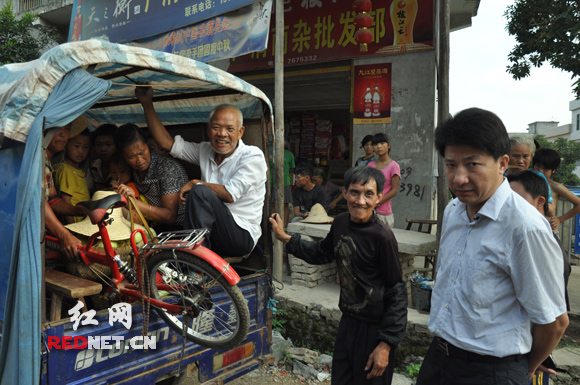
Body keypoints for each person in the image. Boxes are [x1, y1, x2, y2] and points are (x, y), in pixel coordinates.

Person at [416, 108, 569, 385]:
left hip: (492, 372)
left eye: (473, 165)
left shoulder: (525, 228)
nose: (459, 178)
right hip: (438, 359)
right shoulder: (454, 210)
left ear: (503, 164)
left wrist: (522, 370)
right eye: (451, 165)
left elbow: (555, 322)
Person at [270, 166, 407, 385]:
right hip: (348, 324)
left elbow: (397, 292)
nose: (360, 201)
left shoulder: (382, 237)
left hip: (375, 330)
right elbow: (321, 253)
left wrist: (386, 344)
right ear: (344, 192)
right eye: (355, 192)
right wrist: (286, 238)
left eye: (368, 194)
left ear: (379, 197)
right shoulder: (341, 222)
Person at [135, 86, 267, 257]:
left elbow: (230, 195)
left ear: (240, 132)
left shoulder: (252, 156)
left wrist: (197, 183)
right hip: (213, 234)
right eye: (216, 127)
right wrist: (147, 104)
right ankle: (192, 256)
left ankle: (195, 265)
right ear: (208, 129)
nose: (222, 134)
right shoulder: (205, 150)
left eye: (230, 129)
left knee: (199, 191)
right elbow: (168, 144)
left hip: (240, 237)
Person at [507, 170, 571, 312]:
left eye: (517, 200)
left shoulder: (541, 242)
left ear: (540, 202)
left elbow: (555, 319)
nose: (508, 205)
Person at [113, 123, 189, 232]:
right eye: (132, 157)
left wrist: (135, 203)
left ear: (147, 145)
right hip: (153, 226)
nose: (139, 160)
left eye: (141, 152)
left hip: (178, 229)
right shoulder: (130, 170)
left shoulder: (167, 168)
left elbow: (170, 217)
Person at [42, 117, 87, 259]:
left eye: (67, 128)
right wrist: (65, 235)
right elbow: (38, 201)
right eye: (58, 127)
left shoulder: (47, 162)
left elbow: (52, 199)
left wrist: (78, 209)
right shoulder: (36, 159)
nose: (63, 134)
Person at [532, 147, 580, 232]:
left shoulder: (555, 186)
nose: (540, 171)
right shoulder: (526, 182)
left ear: (553, 170)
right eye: (538, 166)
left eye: (546, 169)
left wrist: (560, 220)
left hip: (549, 231)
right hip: (531, 229)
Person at [53, 128, 91, 224]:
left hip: (84, 222)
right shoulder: (66, 170)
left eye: (85, 147)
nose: (81, 151)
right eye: (76, 146)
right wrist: (72, 229)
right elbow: (66, 202)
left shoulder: (79, 170)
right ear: (65, 145)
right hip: (75, 223)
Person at [109, 153, 151, 225]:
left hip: (133, 218)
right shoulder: (112, 184)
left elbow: (132, 206)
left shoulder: (130, 186)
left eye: (122, 172)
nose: (118, 176)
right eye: (113, 172)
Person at [368, 133, 400, 228]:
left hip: (384, 213)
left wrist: (378, 202)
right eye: (375, 144)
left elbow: (394, 190)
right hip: (369, 210)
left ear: (388, 145)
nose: (379, 147)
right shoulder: (370, 165)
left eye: (382, 143)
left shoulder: (394, 166)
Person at [91, 123, 118, 191]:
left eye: (108, 144)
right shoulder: (93, 166)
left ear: (117, 146)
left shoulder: (123, 168)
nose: (103, 149)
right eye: (99, 145)